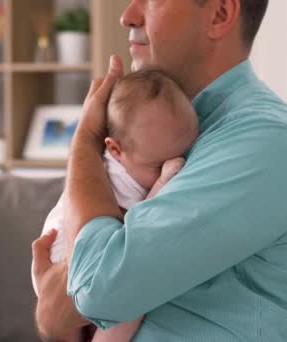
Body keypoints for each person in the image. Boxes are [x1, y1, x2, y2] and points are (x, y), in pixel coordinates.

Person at [32, 0, 287, 341]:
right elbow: (57, 313)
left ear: (220, 14)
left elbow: (93, 290)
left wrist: (85, 142)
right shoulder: (154, 140)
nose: (128, 15)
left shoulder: (263, 139)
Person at [33, 69, 199, 341]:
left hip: (66, 273)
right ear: (115, 150)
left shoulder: (138, 155)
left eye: (181, 155)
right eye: (158, 165)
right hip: (62, 256)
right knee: (132, 298)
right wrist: (161, 184)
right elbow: (139, 223)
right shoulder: (117, 177)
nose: (172, 166)